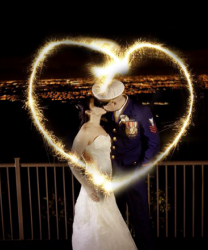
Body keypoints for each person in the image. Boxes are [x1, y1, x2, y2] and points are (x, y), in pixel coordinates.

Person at [92, 79, 160, 250]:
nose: (103, 106)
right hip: (112, 173)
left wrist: (142, 168)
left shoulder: (141, 111)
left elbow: (153, 142)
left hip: (132, 172)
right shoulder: (106, 113)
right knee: (115, 215)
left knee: (140, 217)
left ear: (114, 101)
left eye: (106, 104)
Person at [69, 97, 137, 250]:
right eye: (97, 104)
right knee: (98, 228)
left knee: (111, 226)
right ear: (88, 111)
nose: (102, 105)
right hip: (94, 185)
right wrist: (86, 186)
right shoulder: (85, 130)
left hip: (106, 186)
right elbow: (72, 161)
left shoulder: (101, 127)